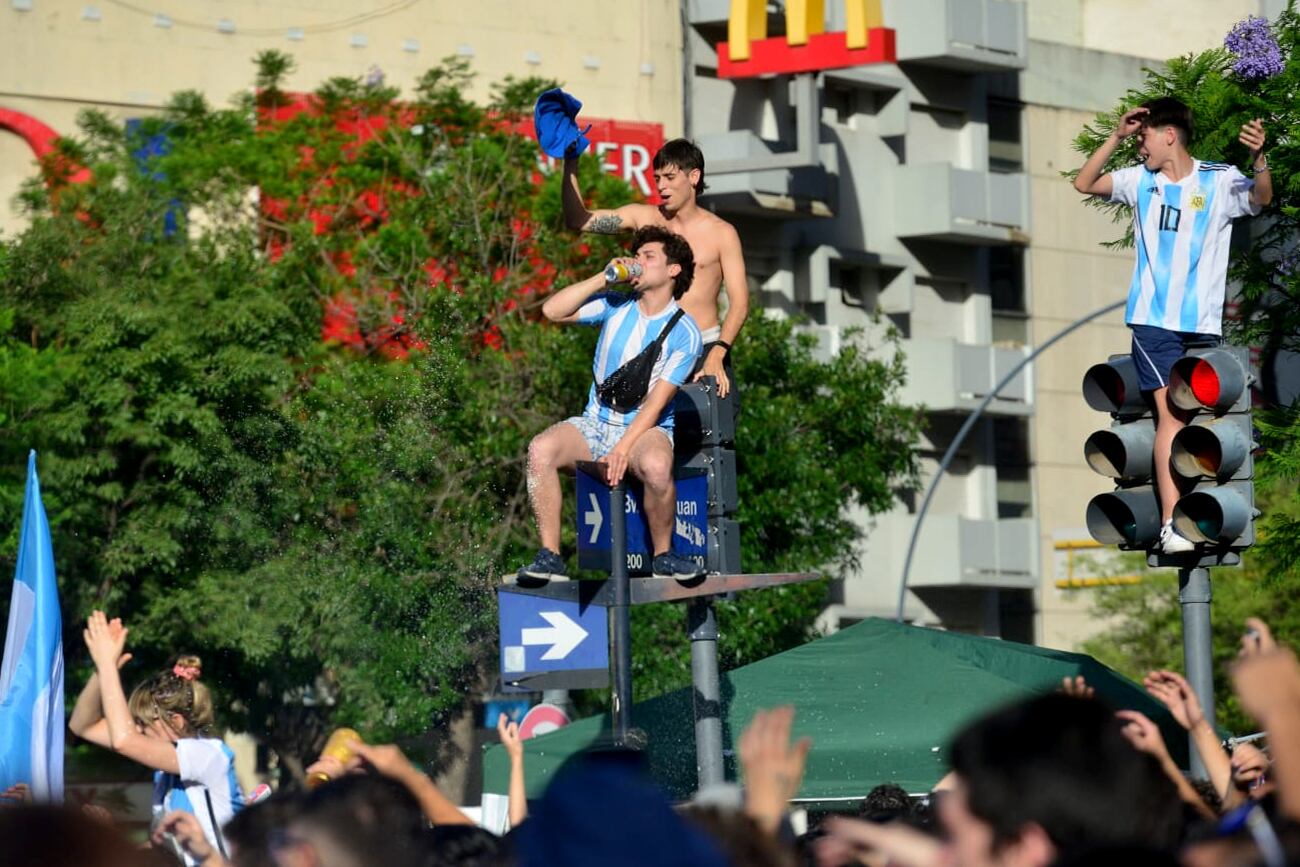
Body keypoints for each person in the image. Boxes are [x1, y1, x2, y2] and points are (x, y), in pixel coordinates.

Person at [1073, 97, 1271, 554]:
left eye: (1143, 136)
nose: (1139, 144)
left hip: (1201, 322)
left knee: (1209, 420)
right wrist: (1117, 136)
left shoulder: (1218, 180)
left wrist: (1260, 159)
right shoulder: (1137, 181)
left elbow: (1261, 198)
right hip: (1153, 322)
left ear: (1169, 135)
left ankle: (1204, 511)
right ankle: (1171, 523)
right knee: (1171, 417)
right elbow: (1084, 183)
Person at [519, 226, 704, 582]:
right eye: (636, 256)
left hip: (646, 429)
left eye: (648, 257)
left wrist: (622, 449)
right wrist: (600, 278)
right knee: (540, 450)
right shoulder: (614, 305)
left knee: (655, 465)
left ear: (673, 269)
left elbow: (656, 403)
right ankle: (550, 557)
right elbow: (552, 311)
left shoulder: (686, 332)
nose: (638, 263)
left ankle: (664, 555)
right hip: (596, 423)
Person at [563, 138, 748, 399]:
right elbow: (578, 220)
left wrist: (718, 353)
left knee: (709, 437)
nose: (661, 186)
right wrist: (571, 160)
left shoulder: (722, 233)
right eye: (657, 178)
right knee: (643, 436)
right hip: (650, 349)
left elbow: (739, 304)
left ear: (693, 176)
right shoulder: (644, 217)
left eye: (670, 177)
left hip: (703, 350)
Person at [69, 611, 243, 864]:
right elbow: (83, 726)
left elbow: (124, 740)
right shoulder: (165, 774)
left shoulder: (207, 754)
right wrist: (101, 671)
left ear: (176, 721)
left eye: (143, 723)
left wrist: (107, 666)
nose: (137, 730)